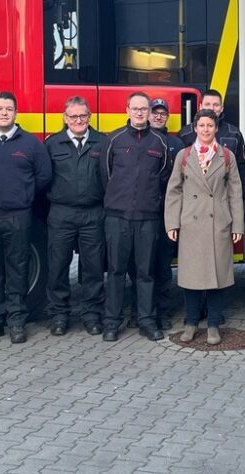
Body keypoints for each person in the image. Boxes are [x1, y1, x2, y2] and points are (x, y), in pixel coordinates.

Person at [0, 92, 52, 344]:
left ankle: (16, 321)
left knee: (18, 270)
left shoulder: (31, 144)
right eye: (0, 109)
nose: (4, 112)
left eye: (9, 109)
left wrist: (23, 196)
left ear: (16, 113)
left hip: (19, 216)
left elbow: (44, 177)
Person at [165, 109, 245, 345]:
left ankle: (213, 325)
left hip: (217, 224)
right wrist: (172, 222)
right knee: (191, 278)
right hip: (191, 224)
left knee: (217, 278)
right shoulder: (184, 155)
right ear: (195, 128)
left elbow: (235, 193)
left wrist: (237, 224)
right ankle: (190, 324)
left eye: (210, 125)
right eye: (202, 126)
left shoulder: (227, 156)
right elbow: (173, 191)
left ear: (216, 128)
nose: (206, 130)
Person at [102, 92, 172, 341]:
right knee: (116, 271)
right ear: (127, 109)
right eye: (136, 108)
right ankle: (112, 322)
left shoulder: (159, 143)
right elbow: (106, 176)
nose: (140, 112)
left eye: (145, 109)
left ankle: (146, 320)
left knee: (146, 272)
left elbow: (164, 177)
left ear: (150, 112)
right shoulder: (114, 140)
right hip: (117, 217)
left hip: (148, 218)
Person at [43, 97, 107, 336]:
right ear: (65, 118)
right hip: (61, 213)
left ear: (90, 117)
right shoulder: (52, 144)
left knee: (93, 267)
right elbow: (43, 178)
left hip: (93, 212)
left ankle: (92, 315)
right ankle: (59, 315)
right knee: (57, 266)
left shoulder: (102, 142)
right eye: (73, 117)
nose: (78, 121)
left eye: (83, 116)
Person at [148, 98, 184, 330]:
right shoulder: (139, 139)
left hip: (167, 215)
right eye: (155, 112)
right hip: (144, 214)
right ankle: (143, 310)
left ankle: (162, 312)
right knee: (142, 266)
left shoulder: (176, 144)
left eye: (163, 113)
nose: (159, 116)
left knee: (162, 266)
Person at [177, 88, 245, 172]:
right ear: (200, 107)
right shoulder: (185, 133)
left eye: (216, 105)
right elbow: (178, 168)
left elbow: (242, 167)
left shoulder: (234, 134)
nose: (211, 108)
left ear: (222, 108)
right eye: (207, 104)